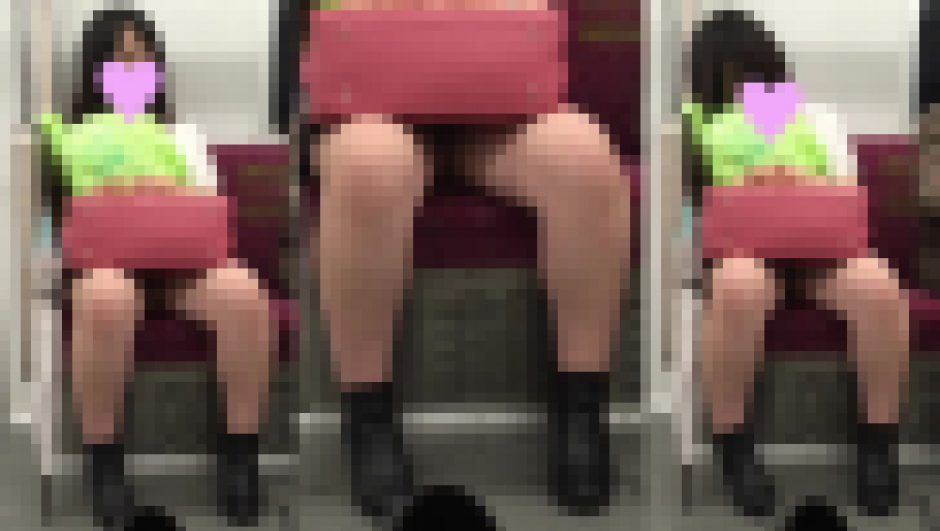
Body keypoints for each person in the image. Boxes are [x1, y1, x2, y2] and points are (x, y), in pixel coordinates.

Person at [293, 0, 632, 527]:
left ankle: (582, 408)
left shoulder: (752, 101)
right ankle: (368, 417)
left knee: (587, 162)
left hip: (498, 111)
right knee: (371, 166)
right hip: (367, 113)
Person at [38, 9, 273, 528]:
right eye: (124, 57)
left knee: (244, 295)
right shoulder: (69, 137)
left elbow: (209, 209)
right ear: (97, 68)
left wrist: (165, 195)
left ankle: (240, 456)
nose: (137, 67)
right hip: (106, 266)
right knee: (107, 297)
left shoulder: (182, 136)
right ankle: (104, 465)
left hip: (182, 265)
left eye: (146, 58)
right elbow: (55, 224)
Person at [683, 9, 909, 518]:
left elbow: (848, 194)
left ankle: (879, 447)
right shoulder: (692, 124)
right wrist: (739, 194)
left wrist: (799, 185)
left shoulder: (812, 118)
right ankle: (735, 449)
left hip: (820, 253)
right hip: (741, 254)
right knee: (740, 286)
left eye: (752, 73)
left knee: (879, 287)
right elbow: (681, 216)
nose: (744, 88)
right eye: (730, 76)